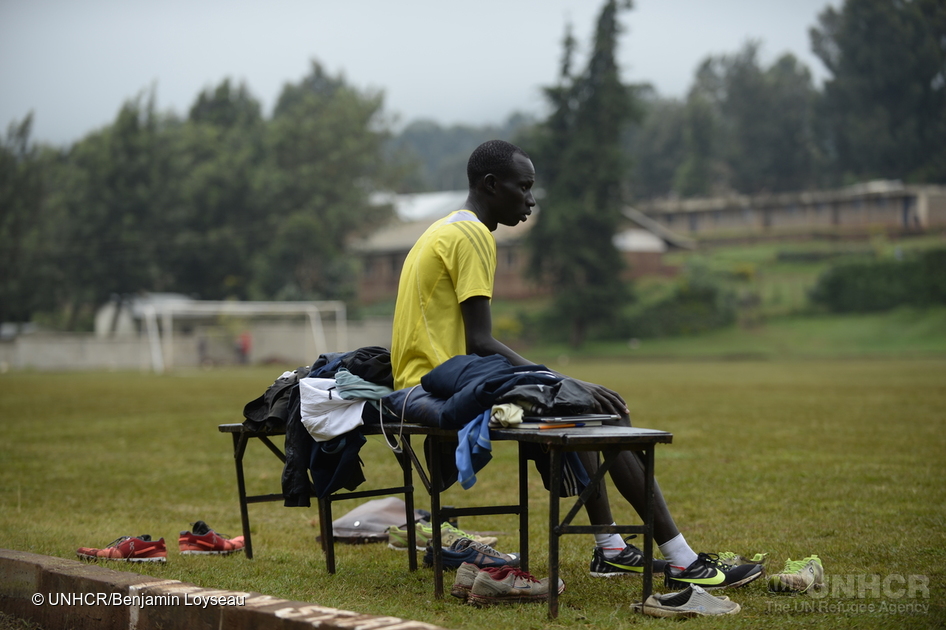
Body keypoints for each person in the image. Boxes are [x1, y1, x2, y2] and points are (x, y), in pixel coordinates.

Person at [390, 139, 762, 590]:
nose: (530, 200)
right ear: (491, 185)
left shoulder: (445, 228)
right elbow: (481, 340)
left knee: (582, 407)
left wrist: (555, 381)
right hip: (439, 383)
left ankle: (611, 549)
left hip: (425, 378)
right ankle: (679, 560)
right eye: (523, 187)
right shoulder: (472, 236)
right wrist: (556, 376)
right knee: (603, 410)